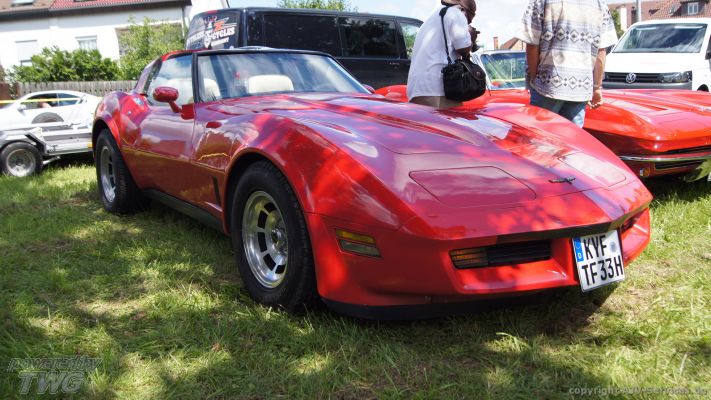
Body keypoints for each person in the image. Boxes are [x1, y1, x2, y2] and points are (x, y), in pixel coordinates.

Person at [516, 0, 617, 127]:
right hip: (580, 88)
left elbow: (532, 43)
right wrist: (597, 87)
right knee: (572, 137)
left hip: (546, 85)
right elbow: (601, 51)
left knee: (542, 136)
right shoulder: (599, 4)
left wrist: (534, 77)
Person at [407, 0, 477, 109]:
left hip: (417, 89)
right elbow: (463, 49)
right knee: (448, 121)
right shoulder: (456, 13)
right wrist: (471, 37)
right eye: (468, 19)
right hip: (437, 88)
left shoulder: (431, 18)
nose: (467, 23)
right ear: (463, 9)